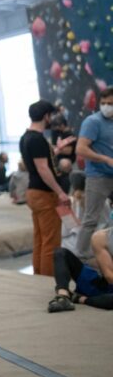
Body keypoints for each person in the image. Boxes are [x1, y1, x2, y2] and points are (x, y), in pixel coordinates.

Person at [20, 100, 74, 276]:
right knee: (51, 241)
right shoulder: (37, 140)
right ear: (46, 116)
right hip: (43, 193)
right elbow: (43, 169)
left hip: (34, 192)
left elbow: (37, 164)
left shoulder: (26, 137)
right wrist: (60, 192)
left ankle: (39, 275)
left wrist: (56, 151)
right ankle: (48, 280)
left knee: (40, 239)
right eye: (51, 116)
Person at [74, 88, 113, 258]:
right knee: (91, 219)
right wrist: (104, 159)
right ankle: (81, 258)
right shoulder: (93, 122)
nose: (106, 106)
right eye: (103, 103)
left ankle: (107, 251)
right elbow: (81, 148)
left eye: (110, 103)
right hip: (98, 176)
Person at [49, 227, 113, 312]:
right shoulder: (101, 237)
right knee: (61, 253)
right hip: (98, 283)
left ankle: (79, 299)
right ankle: (63, 296)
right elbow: (109, 276)